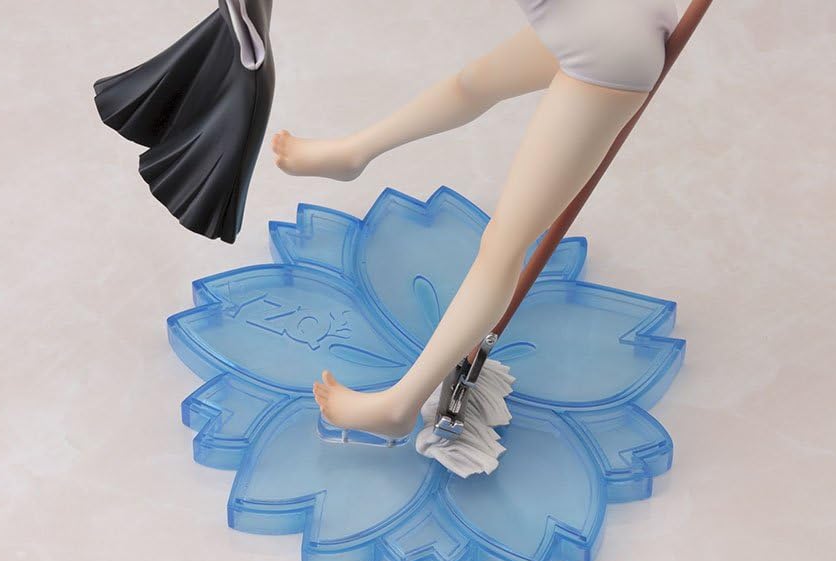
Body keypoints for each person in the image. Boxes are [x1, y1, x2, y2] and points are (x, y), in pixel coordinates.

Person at [272, 1, 680, 438]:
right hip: (595, 17)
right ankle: (353, 152)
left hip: (608, 50)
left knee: (503, 245)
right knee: (472, 83)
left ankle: (398, 406)